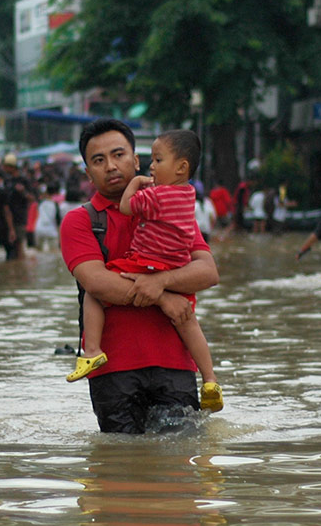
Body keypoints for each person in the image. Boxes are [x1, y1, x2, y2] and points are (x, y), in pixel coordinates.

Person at [60, 119, 219, 434]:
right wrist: (164, 297)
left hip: (175, 365)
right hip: (113, 371)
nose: (111, 166)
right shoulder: (80, 222)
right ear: (87, 172)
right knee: (120, 468)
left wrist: (161, 281)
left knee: (180, 467)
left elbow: (207, 271)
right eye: (98, 160)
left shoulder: (170, 209)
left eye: (119, 155)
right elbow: (96, 283)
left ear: (136, 160)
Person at [35, 181, 62, 251]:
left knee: (39, 251)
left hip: (39, 229)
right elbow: (58, 221)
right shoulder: (55, 205)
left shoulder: (40, 203)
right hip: (51, 231)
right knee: (53, 252)